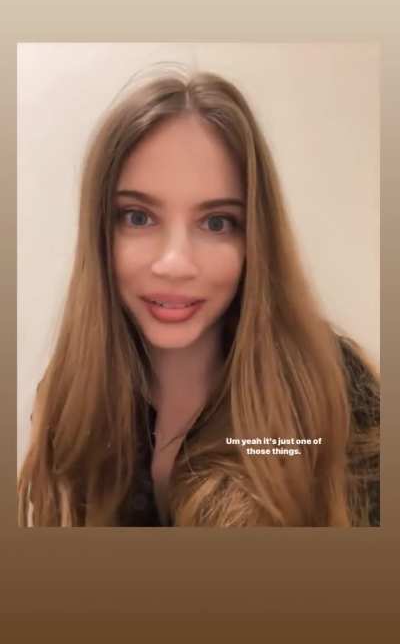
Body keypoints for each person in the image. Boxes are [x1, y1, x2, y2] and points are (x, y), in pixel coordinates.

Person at [17, 68, 380, 527]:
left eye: (216, 223)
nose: (174, 263)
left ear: (254, 240)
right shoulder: (71, 394)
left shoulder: (333, 393)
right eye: (138, 217)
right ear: (100, 233)